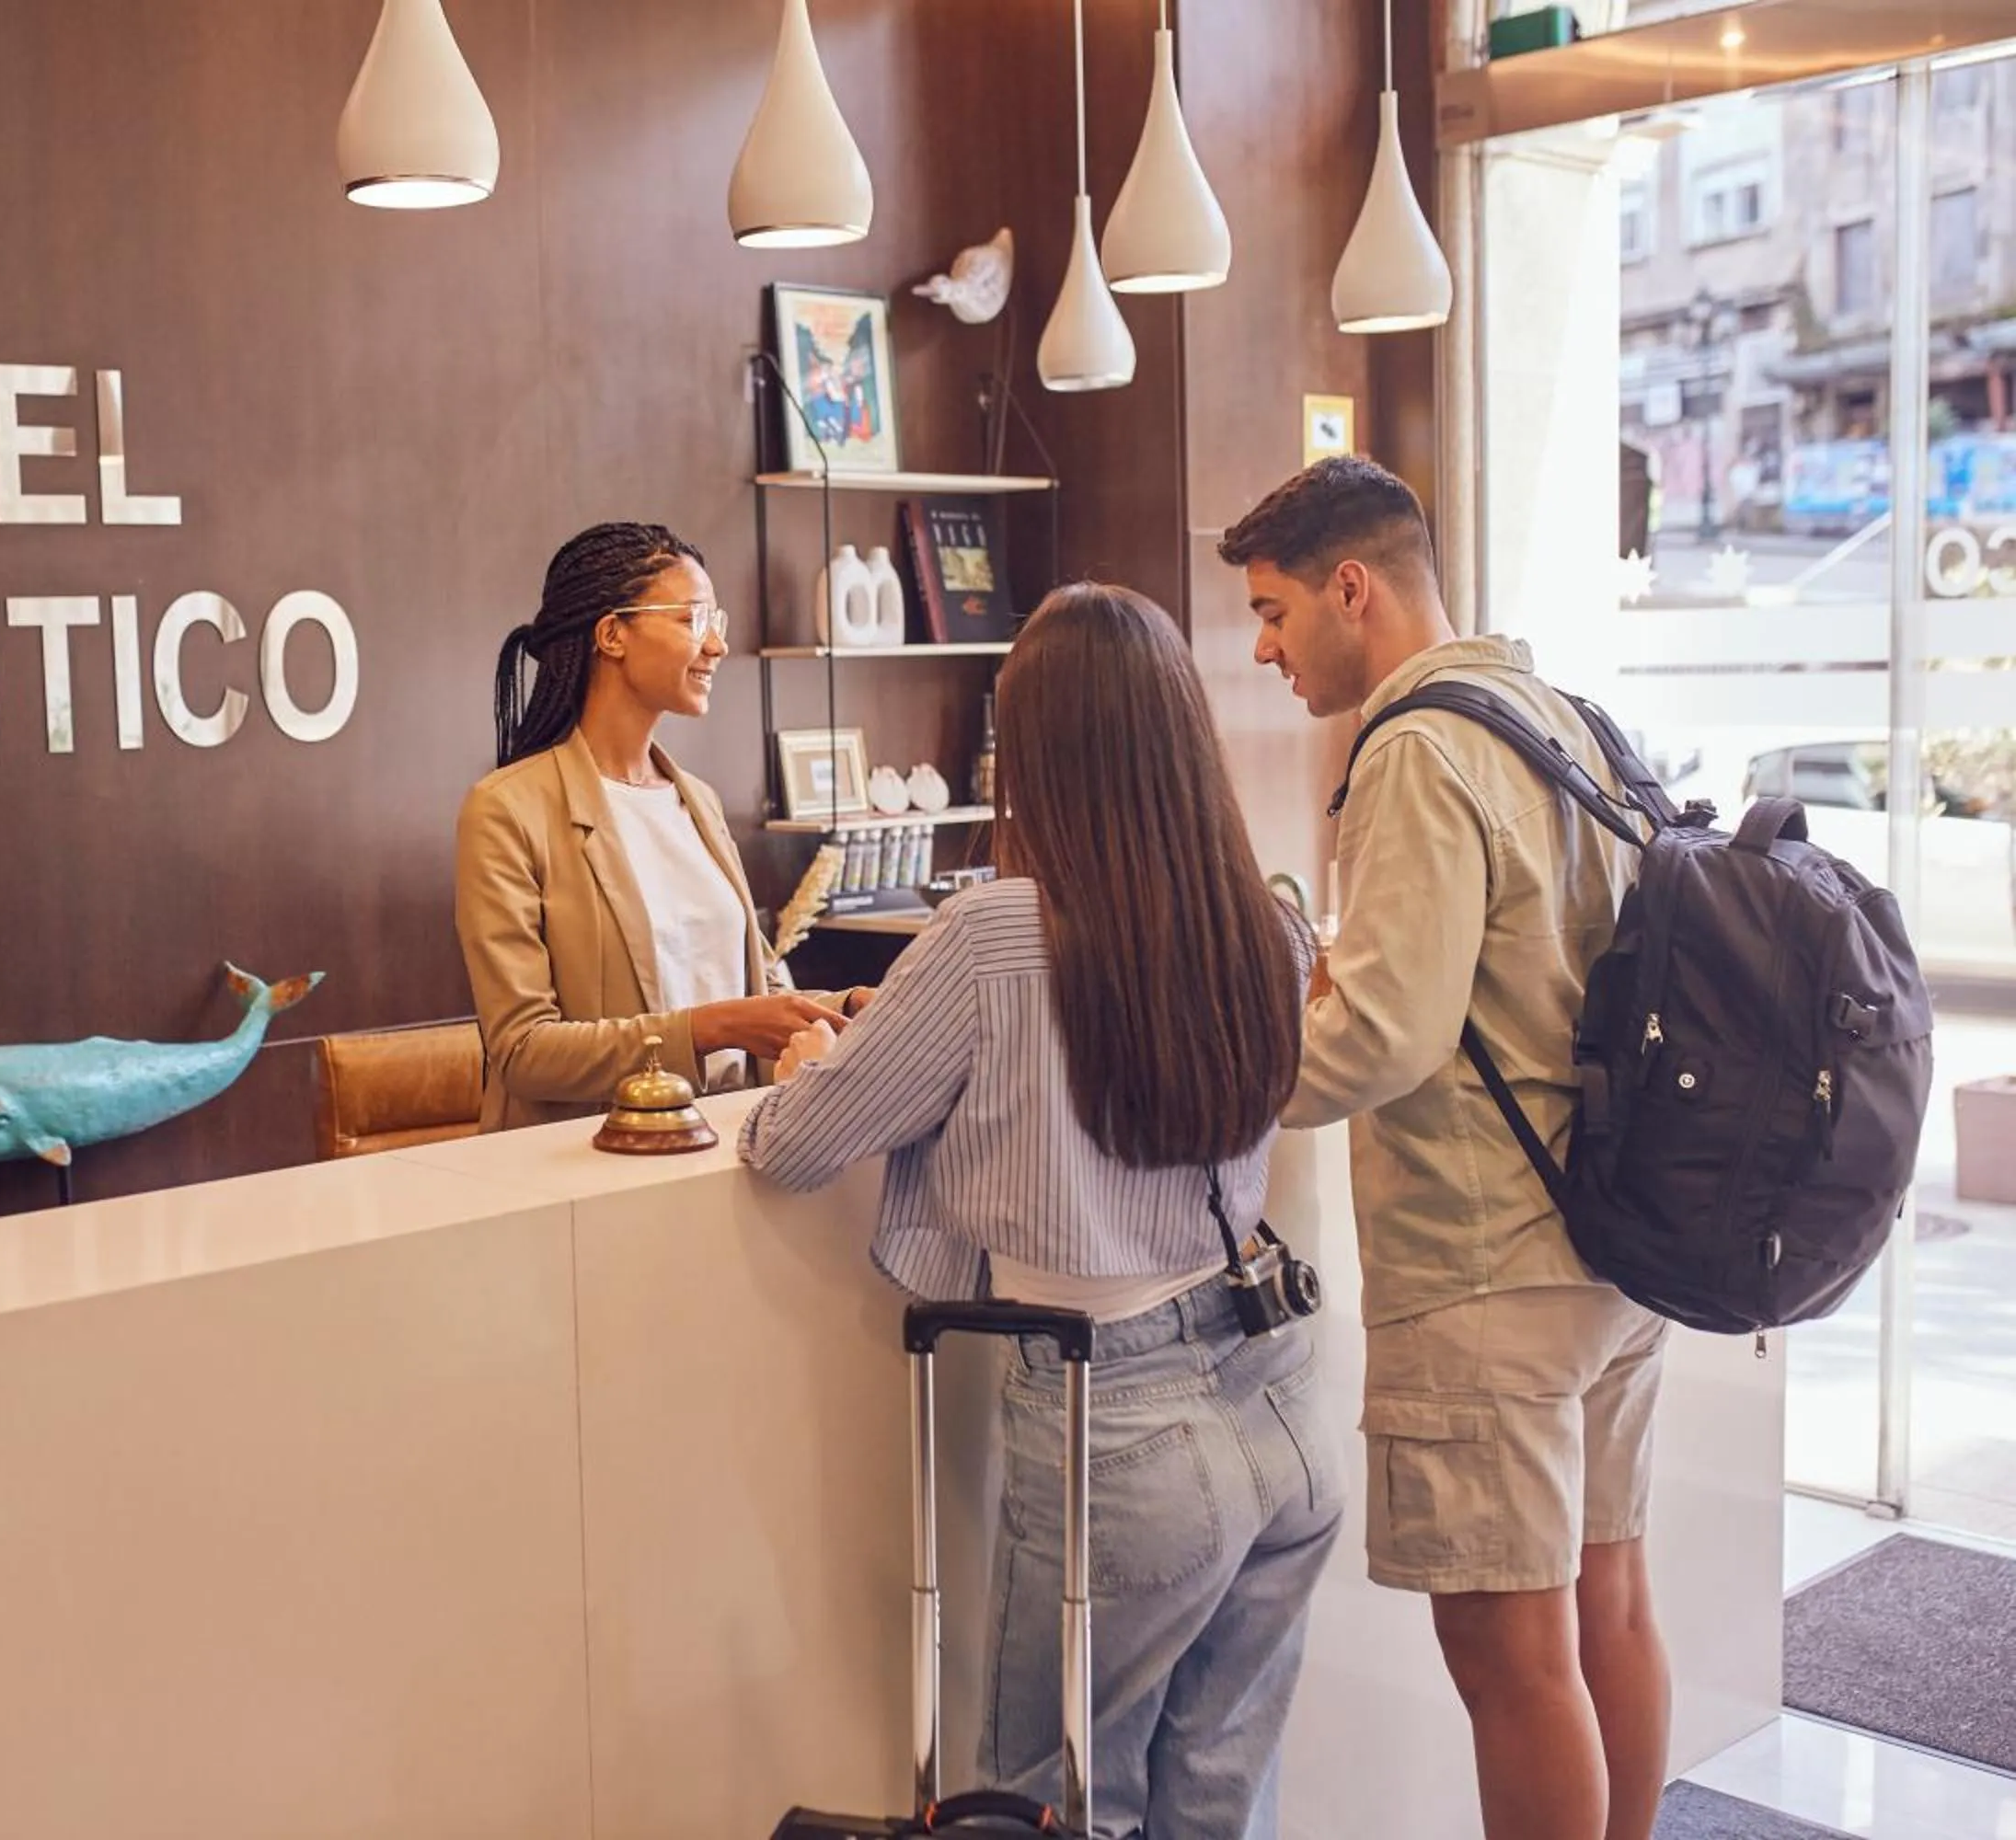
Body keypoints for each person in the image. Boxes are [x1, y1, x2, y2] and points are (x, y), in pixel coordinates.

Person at [737, 584, 1341, 1840]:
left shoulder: (992, 938)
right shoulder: (1266, 926)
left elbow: (795, 1146)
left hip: (1109, 1424)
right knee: (1221, 1801)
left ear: (1040, 752)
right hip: (1280, 1399)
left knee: (1050, 1804)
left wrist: (802, 1067)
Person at [1216, 456, 1666, 1840]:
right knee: (1611, 1606)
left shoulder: (1415, 746)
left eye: (1276, 608)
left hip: (1485, 1265)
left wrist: (1207, 1084)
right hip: (1616, 1243)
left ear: (1354, 586)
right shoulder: (1563, 718)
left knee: (1511, 1665)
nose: (1264, 644)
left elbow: (1383, 1037)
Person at [455, 522, 859, 1132]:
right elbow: (523, 1051)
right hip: (596, 1164)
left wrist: (846, 1007)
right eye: (693, 618)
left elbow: (761, 994)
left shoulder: (699, 803)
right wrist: (706, 1030)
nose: (717, 645)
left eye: (717, 622)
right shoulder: (507, 810)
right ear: (612, 633)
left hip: (730, 1145)